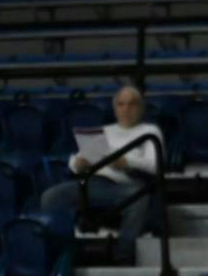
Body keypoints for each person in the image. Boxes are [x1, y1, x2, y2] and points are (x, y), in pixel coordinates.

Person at [39, 84, 163, 262]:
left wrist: (126, 163)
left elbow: (155, 165)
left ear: (141, 108)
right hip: (93, 182)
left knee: (138, 197)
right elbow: (75, 160)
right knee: (50, 197)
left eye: (132, 104)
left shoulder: (149, 132)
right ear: (114, 108)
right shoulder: (106, 131)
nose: (126, 109)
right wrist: (78, 163)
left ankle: (124, 254)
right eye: (121, 104)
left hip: (126, 184)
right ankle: (64, 253)